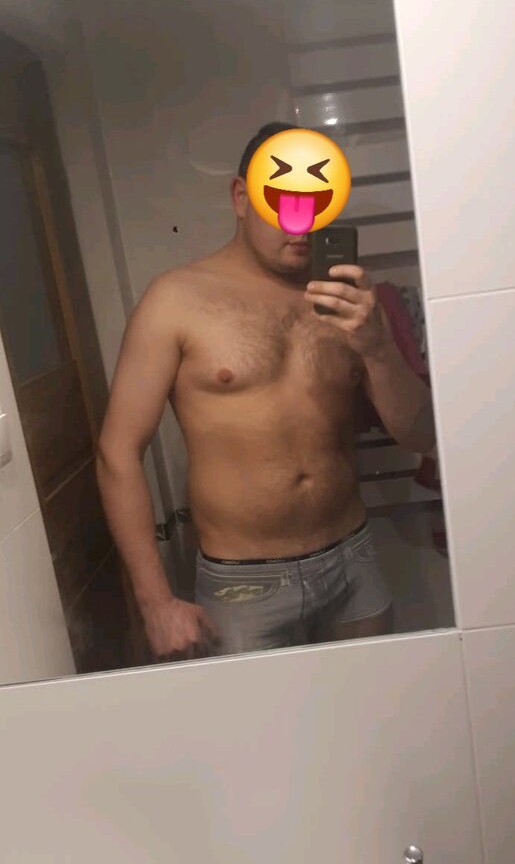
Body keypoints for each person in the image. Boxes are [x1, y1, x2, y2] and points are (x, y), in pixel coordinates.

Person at [96, 121, 435, 660]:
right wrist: (155, 604)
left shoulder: (349, 303)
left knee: (371, 706)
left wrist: (376, 347)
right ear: (241, 197)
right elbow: (117, 452)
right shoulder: (176, 300)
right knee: (258, 719)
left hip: (353, 562)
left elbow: (421, 434)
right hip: (243, 586)